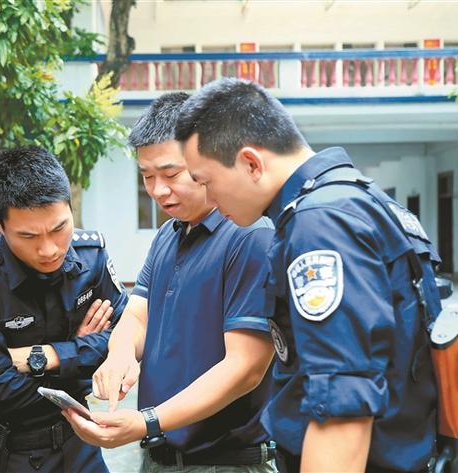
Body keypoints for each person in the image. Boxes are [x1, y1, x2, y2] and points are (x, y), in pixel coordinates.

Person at [174, 78, 443, 472]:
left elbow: (341, 411)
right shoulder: (357, 199)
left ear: (251, 163)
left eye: (207, 182)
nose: (209, 200)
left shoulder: (320, 225)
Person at [64, 92, 277, 472]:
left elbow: (245, 368)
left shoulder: (250, 236)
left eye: (171, 174)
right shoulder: (169, 234)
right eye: (147, 176)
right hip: (159, 457)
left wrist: (147, 421)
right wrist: (120, 354)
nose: (158, 190)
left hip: (224, 463)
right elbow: (138, 315)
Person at [0, 145, 127, 473]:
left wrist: (46, 356)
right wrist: (83, 359)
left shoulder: (91, 256)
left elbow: (128, 334)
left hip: (81, 444)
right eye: (28, 236)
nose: (49, 249)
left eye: (59, 228)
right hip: (10, 453)